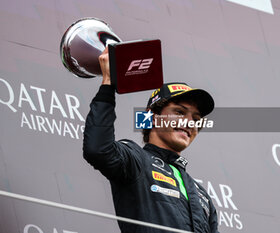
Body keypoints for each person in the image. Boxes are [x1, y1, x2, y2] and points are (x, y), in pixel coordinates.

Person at [83, 47, 219, 233]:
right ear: (153, 117)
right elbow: (98, 149)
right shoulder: (137, 160)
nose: (189, 122)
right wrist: (108, 85)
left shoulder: (202, 195)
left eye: (196, 119)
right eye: (179, 112)